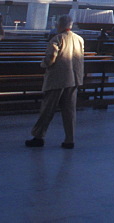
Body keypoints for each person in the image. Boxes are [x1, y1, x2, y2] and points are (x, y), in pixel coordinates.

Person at [25, 14, 84, 149]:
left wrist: (44, 64)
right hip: (74, 79)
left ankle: (39, 136)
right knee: (69, 111)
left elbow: (51, 56)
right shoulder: (79, 39)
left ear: (60, 25)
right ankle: (69, 139)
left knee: (48, 109)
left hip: (57, 79)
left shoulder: (57, 38)